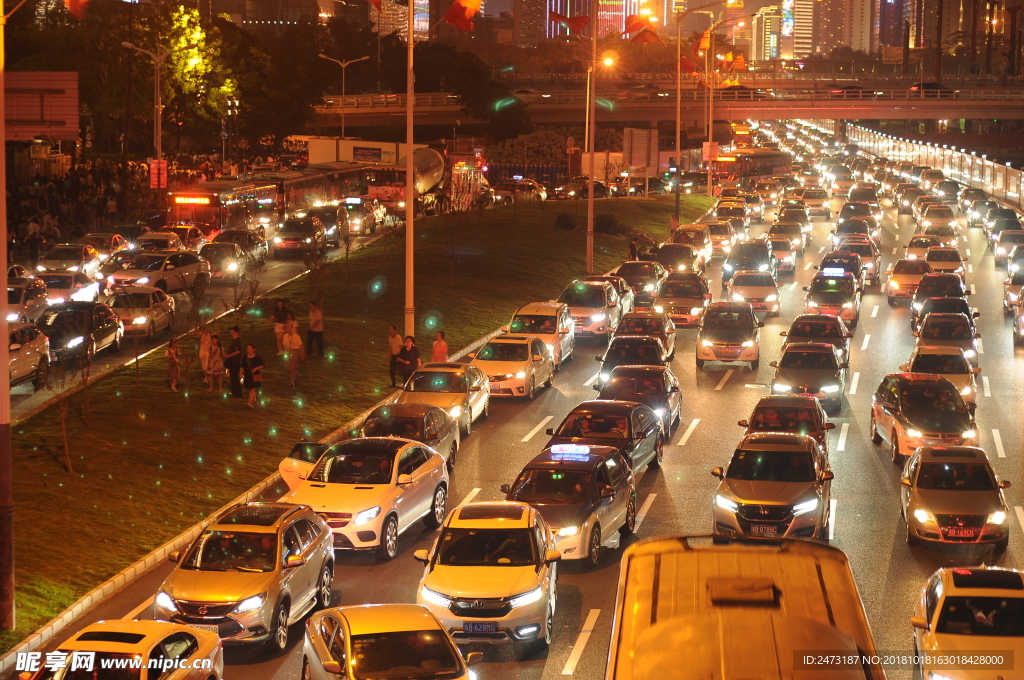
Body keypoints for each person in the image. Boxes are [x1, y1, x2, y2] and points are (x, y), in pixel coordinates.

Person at [282, 323, 305, 387]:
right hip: (288, 352)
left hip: (295, 352)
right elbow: (284, 345)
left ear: (292, 328)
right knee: (287, 367)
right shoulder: (285, 336)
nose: (289, 330)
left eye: (290, 328)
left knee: (293, 368)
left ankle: (291, 382)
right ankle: (297, 376)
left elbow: (301, 345)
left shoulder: (296, 336)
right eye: (287, 328)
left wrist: (302, 354)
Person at [242, 344, 265, 408]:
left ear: (253, 349)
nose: (248, 350)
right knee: (250, 389)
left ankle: (250, 403)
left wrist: (256, 369)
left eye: (250, 349)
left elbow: (262, 365)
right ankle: (254, 402)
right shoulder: (245, 357)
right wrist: (240, 375)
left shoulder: (257, 358)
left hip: (255, 376)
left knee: (252, 389)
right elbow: (242, 367)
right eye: (247, 349)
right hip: (248, 376)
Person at [225, 326, 243, 397]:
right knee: (232, 377)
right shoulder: (233, 340)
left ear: (235, 331)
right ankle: (234, 392)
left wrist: (229, 355)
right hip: (231, 362)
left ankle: (238, 393)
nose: (230, 331)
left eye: (231, 330)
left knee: (235, 377)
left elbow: (238, 351)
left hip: (235, 362)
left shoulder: (238, 340)